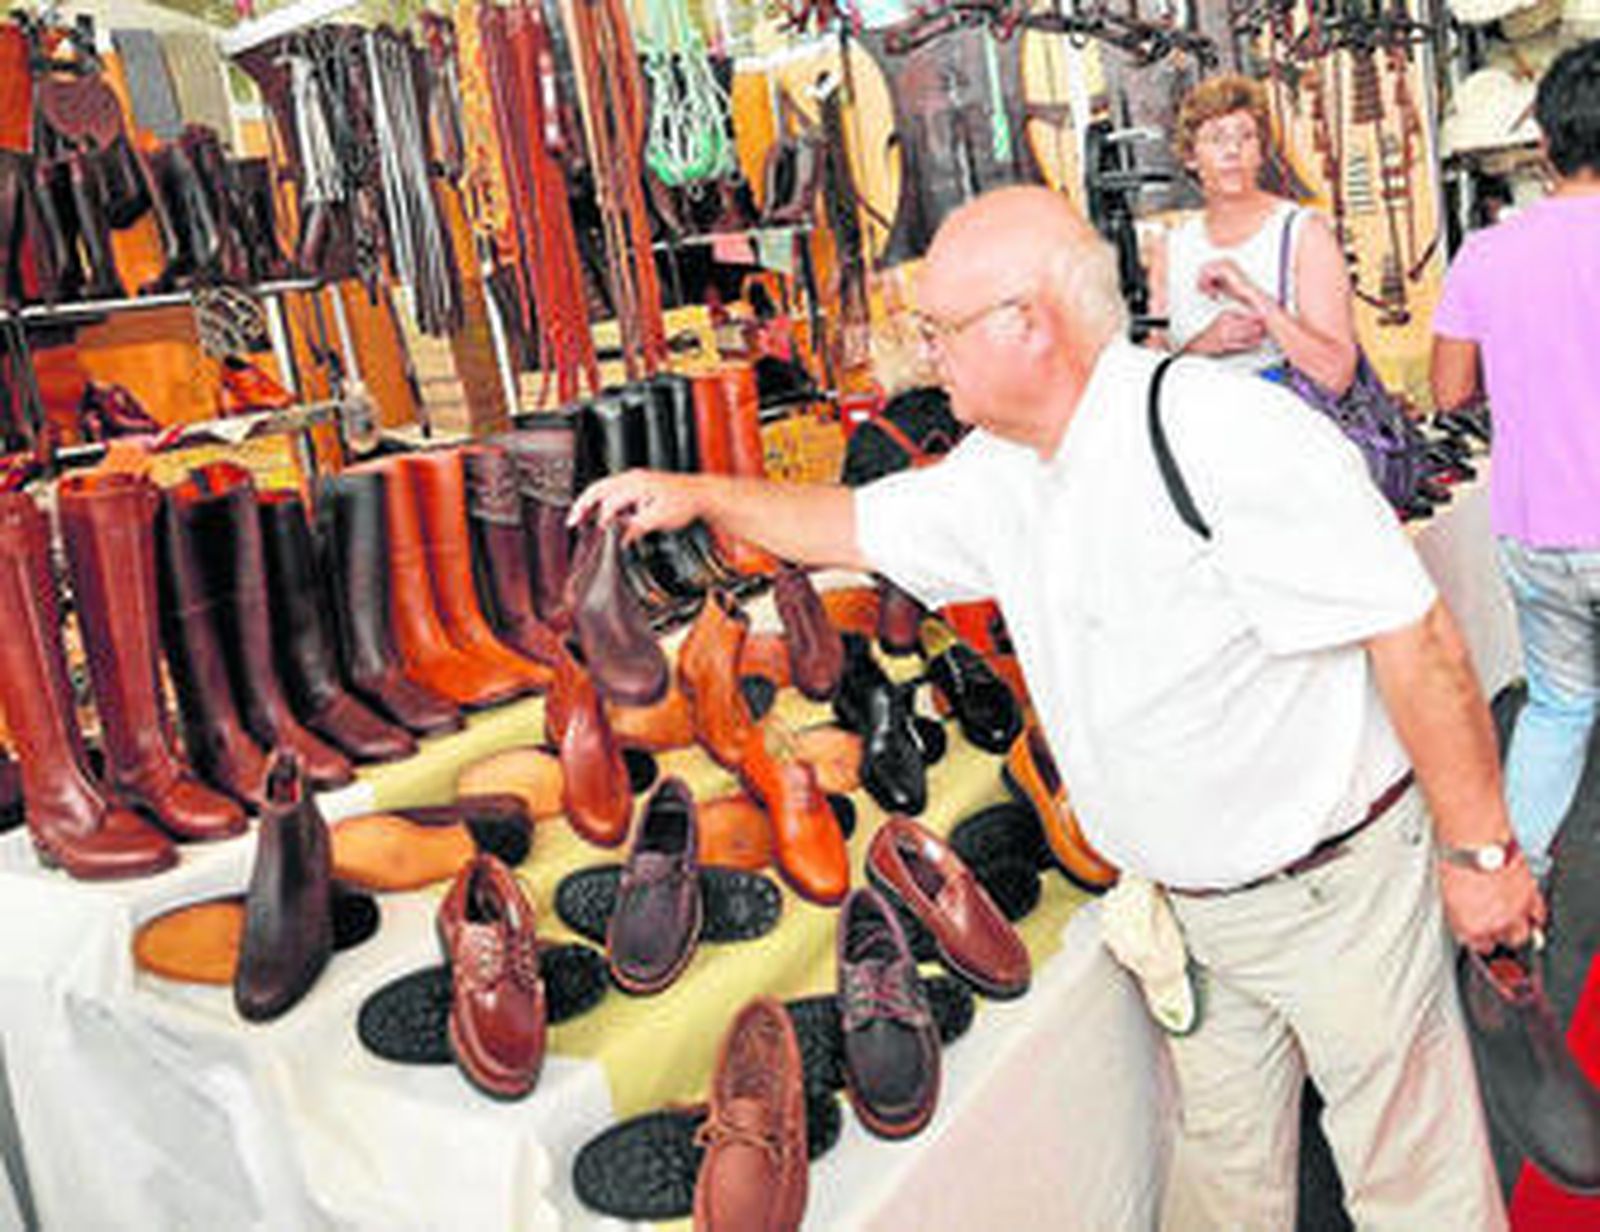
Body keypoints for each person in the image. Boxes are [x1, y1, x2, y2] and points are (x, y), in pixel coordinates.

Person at [574, 185, 1541, 1229]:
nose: (921, 354)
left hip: (1332, 894)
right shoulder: (1005, 470)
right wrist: (705, 494)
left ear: (1026, 321)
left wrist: (1480, 853)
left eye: (937, 328)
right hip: (1191, 905)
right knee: (1223, 1171)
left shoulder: (1222, 431)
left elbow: (1418, 636)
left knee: (1410, 1181)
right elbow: (850, 520)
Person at [1432, 39, 1600, 881]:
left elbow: (1449, 389)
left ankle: (1511, 892)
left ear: (1543, 145)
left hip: (1536, 533)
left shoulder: (1488, 253)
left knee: (1560, 707)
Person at [1146, 74, 1358, 394]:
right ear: (1190, 157)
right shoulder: (1171, 247)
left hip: (1289, 431)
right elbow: (1154, 383)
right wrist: (1203, 346)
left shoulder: (1303, 233)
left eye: (1246, 137)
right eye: (1216, 138)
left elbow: (1336, 374)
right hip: (1197, 434)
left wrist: (1253, 295)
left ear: (1261, 152)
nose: (1233, 150)